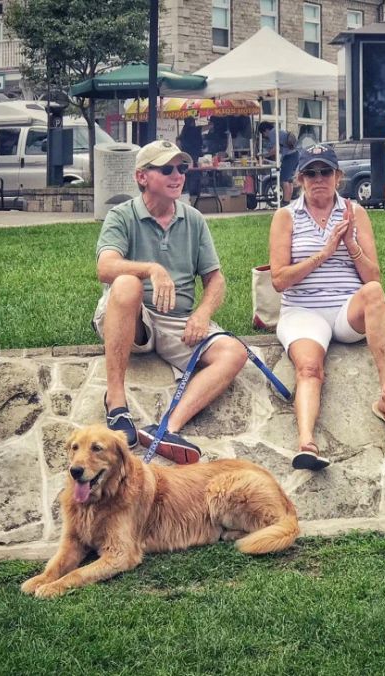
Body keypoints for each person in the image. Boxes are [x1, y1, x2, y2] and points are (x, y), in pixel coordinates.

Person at [93, 139, 248, 464]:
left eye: (181, 168)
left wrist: (203, 313)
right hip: (131, 315)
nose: (177, 175)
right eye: (166, 169)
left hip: (177, 321)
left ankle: (167, 428)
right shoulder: (121, 216)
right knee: (126, 283)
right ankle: (116, 403)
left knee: (234, 352)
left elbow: (216, 279)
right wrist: (151, 269)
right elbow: (105, 268)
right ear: (142, 176)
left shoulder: (193, 219)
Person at [269, 144, 385, 471]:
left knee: (375, 291)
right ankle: (306, 443)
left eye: (325, 171)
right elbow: (279, 280)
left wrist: (350, 244)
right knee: (309, 368)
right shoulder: (286, 217)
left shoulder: (355, 213)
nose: (318, 179)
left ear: (338, 176)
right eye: (311, 173)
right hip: (303, 310)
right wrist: (323, 254)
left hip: (345, 309)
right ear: (300, 179)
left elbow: (373, 276)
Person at [258, 121, 298, 203]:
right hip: (295, 155)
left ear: (266, 130)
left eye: (263, 134)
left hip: (289, 157)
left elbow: (275, 149)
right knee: (289, 181)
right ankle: (288, 201)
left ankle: (285, 201)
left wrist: (264, 155)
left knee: (284, 180)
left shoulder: (272, 133)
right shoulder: (279, 131)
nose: (265, 136)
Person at [177, 117, 204, 197]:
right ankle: (194, 193)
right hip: (194, 156)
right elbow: (207, 127)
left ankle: (186, 192)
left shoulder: (184, 131)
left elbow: (178, 143)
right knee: (195, 175)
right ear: (193, 122)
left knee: (186, 174)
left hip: (185, 157)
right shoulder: (195, 130)